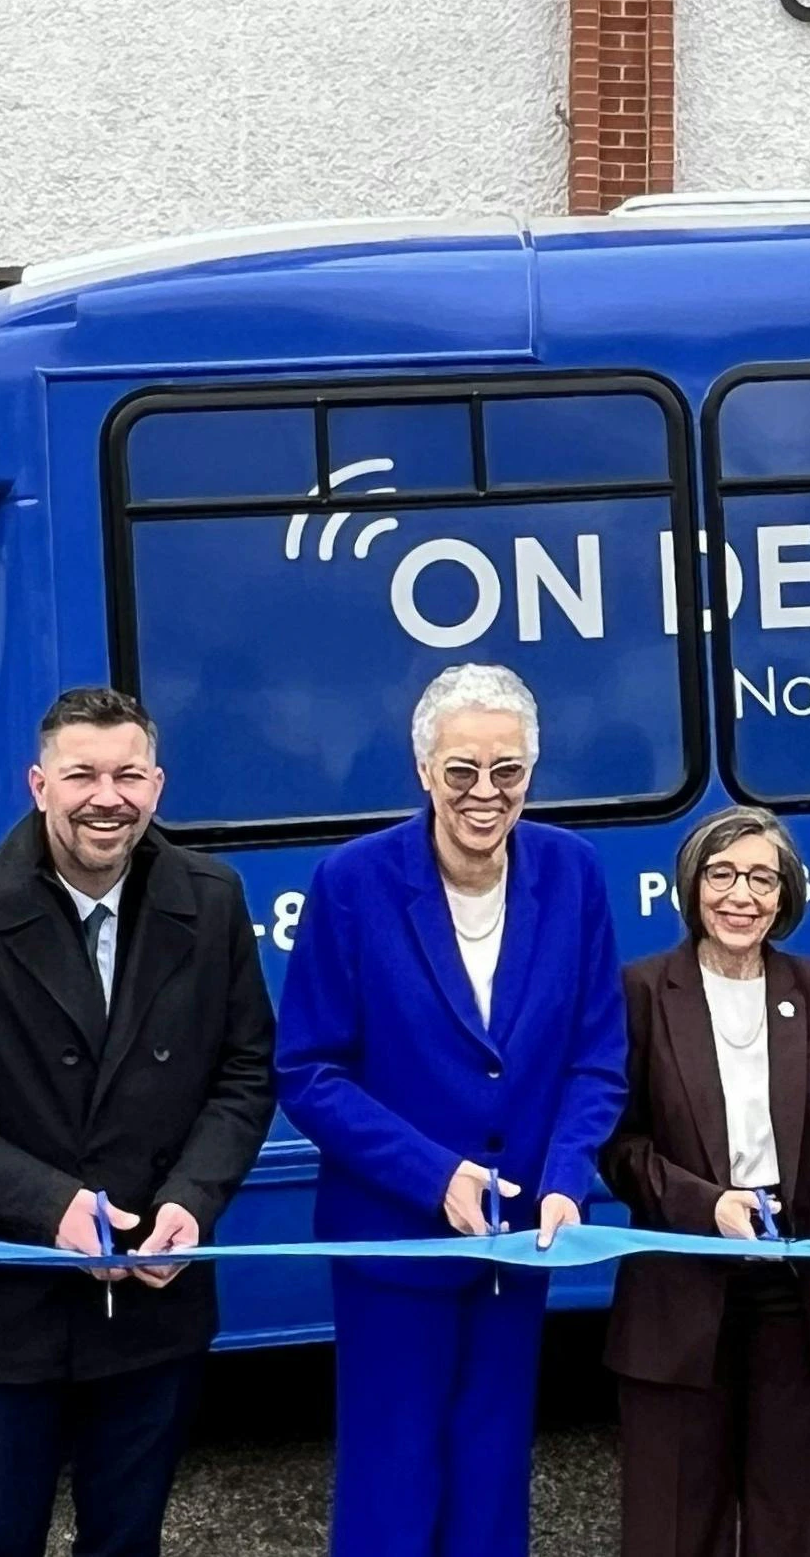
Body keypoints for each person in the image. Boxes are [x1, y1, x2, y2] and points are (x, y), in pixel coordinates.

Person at [0, 687, 278, 1557]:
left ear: (158, 786)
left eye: (128, 774)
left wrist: (192, 1202)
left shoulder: (212, 898)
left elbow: (245, 1072)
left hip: (156, 1301)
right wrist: (48, 1205)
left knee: (128, 1543)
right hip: (6, 1309)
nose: (107, 796)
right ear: (38, 785)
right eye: (82, 773)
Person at [275, 662, 629, 1557]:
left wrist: (564, 1182)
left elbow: (597, 1059)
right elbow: (309, 1070)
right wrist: (434, 1175)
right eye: (462, 770)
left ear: (531, 774)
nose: (485, 793)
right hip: (393, 1241)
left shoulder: (575, 873)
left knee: (493, 1478)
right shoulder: (351, 882)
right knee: (391, 1486)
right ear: (424, 770)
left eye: (506, 771)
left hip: (519, 1246)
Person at [602, 806, 810, 1557]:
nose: (742, 895)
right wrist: (710, 1206)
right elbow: (618, 1144)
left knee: (798, 1524)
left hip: (800, 1291)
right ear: (693, 886)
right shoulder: (640, 991)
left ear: (785, 894)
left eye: (762, 878)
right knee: (672, 1525)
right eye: (723, 874)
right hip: (678, 1289)